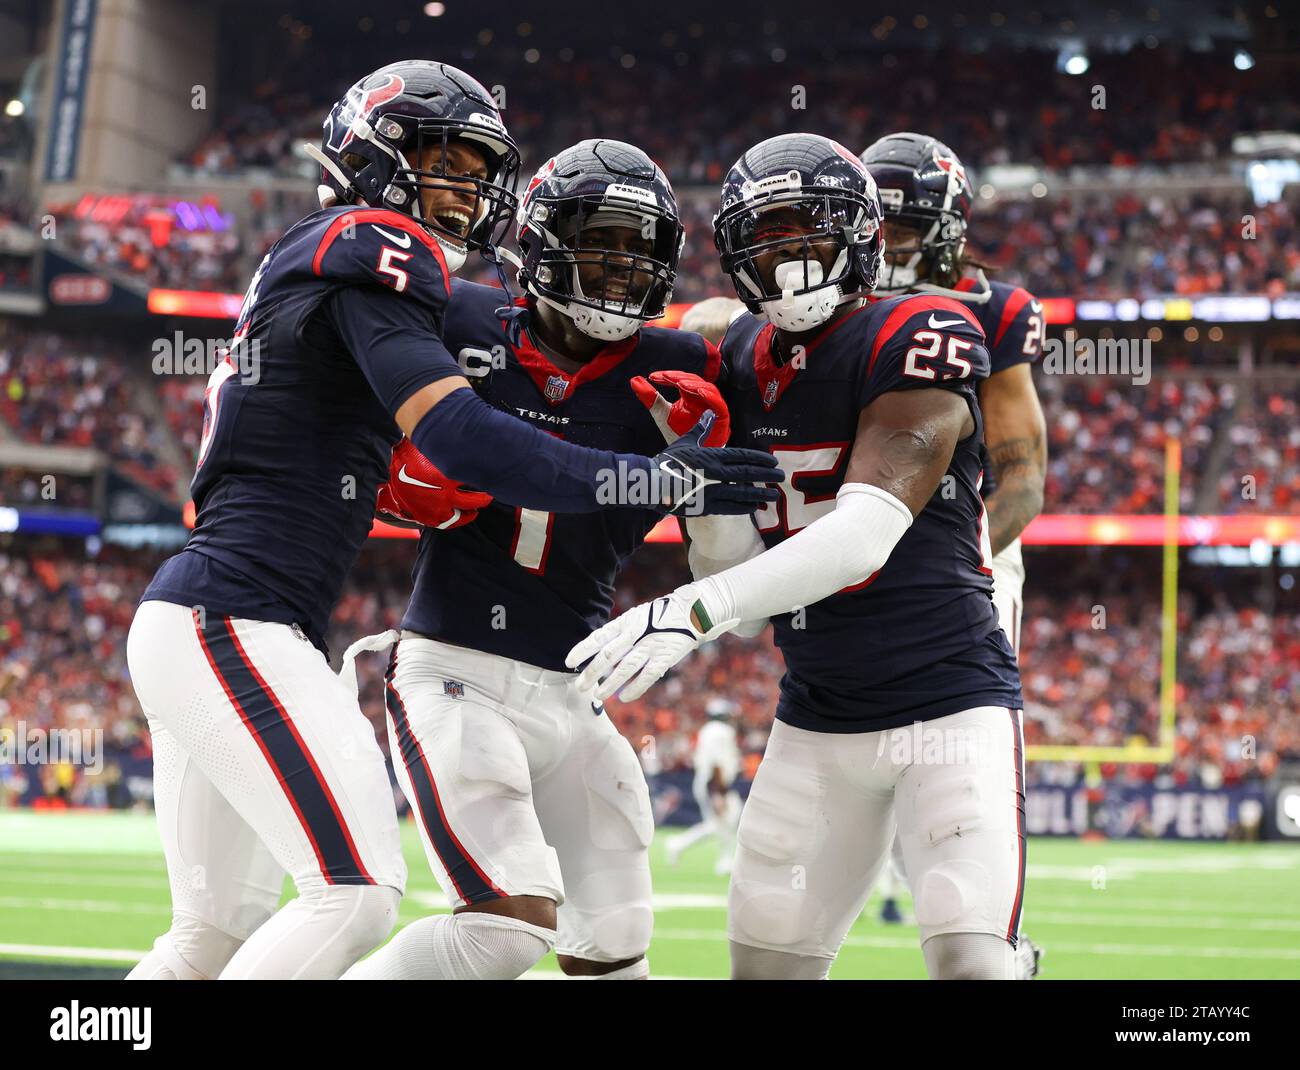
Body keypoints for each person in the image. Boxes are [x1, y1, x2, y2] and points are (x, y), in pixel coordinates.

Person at [125, 65, 778, 982]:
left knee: (207, 940)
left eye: (479, 171)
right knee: (352, 892)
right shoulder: (371, 246)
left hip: (232, 618)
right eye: (447, 164)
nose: (468, 191)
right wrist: (651, 478)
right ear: (375, 151)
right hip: (232, 615)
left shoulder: (350, 263)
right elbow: (459, 434)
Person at [568, 133, 1026, 980]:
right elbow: (739, 576)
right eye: (765, 237)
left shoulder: (923, 329)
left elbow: (863, 535)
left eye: (807, 232)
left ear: (861, 232)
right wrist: (700, 488)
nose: (787, 260)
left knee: (973, 964)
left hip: (947, 705)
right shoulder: (739, 358)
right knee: (766, 973)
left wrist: (689, 612)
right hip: (815, 715)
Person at [342, 140, 755, 981]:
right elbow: (333, 406)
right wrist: (390, 472)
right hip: (455, 669)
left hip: (574, 691)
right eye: (601, 239)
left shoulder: (677, 366)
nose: (620, 265)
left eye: (641, 248)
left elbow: (721, 566)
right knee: (506, 928)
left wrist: (704, 473)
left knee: (614, 943)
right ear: (540, 239)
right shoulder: (455, 320)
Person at [862, 132, 1046, 976]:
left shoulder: (993, 309)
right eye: (879, 221)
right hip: (848, 548)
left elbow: (1023, 476)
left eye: (904, 223)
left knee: (953, 766)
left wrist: (961, 564)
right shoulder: (844, 295)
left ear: (946, 225)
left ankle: (992, 938)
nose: (888, 239)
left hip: (958, 554)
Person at [665, 698, 743, 875]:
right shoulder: (723, 731)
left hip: (708, 781)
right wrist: (718, 792)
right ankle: (721, 859)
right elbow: (717, 762)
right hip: (715, 784)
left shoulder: (707, 730)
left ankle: (723, 859)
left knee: (724, 821)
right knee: (722, 822)